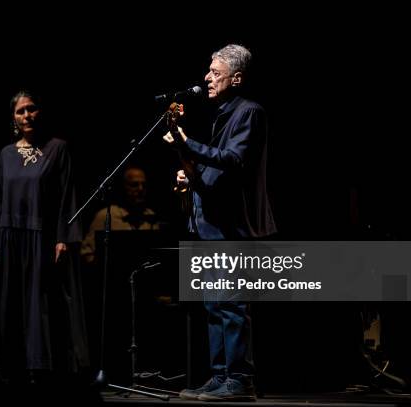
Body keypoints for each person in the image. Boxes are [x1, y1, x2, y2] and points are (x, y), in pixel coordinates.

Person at [165, 44, 277, 401]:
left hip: (231, 226)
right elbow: (215, 172)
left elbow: (233, 160)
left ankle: (241, 379)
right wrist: (190, 176)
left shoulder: (249, 113)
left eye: (215, 72)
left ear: (237, 78)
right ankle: (220, 375)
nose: (207, 78)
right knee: (213, 304)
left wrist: (186, 141)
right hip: (210, 223)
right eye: (208, 71)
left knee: (231, 303)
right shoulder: (220, 114)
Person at [0, 89, 90, 392]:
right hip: (8, 237)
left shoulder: (58, 148)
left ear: (40, 111)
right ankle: (7, 368)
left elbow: (68, 197)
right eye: (20, 111)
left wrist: (64, 238)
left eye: (32, 109)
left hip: (41, 239)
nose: (26, 115)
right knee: (9, 303)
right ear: (13, 118)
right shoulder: (5, 154)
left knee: (39, 305)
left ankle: (40, 370)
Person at [80, 166, 160, 264]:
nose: (140, 189)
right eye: (134, 185)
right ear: (123, 187)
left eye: (144, 185)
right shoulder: (106, 215)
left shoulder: (150, 215)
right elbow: (87, 252)